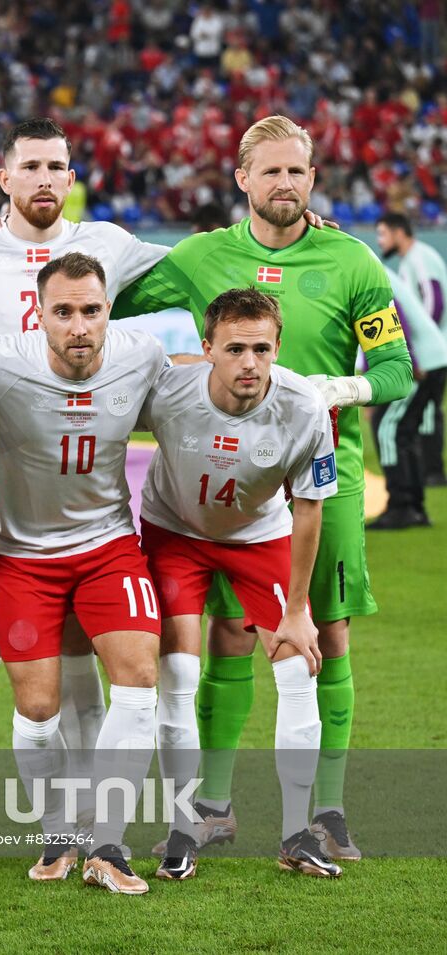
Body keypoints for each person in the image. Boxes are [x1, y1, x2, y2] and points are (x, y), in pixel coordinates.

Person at [113, 115, 414, 860]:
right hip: (223, 482)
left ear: (314, 179)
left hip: (324, 475)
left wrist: (327, 388)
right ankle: (211, 804)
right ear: (242, 178)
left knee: (323, 634)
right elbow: (105, 302)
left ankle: (329, 810)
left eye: (298, 172)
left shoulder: (353, 261)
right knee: (223, 636)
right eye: (271, 171)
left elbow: (397, 370)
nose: (286, 184)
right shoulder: (200, 256)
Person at [0, 117, 168, 862]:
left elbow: (193, 269)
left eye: (58, 165)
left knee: (91, 647)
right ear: (5, 178)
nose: (47, 179)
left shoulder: (108, 245)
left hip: (82, 481)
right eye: (32, 166)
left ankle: (85, 815)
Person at [0, 252, 167, 895]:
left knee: (139, 678)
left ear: (108, 311)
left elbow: (195, 383)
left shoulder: (142, 354)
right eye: (64, 312)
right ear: (40, 314)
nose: (80, 326)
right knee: (39, 707)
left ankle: (108, 844)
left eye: (92, 311)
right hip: (22, 557)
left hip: (109, 547)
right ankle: (59, 828)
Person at [141, 287, 342, 881]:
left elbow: (309, 509)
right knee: (176, 672)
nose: (249, 362)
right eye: (234, 348)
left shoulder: (305, 407)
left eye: (261, 348)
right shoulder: (170, 391)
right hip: (174, 532)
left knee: (297, 665)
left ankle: (296, 833)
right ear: (207, 350)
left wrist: (298, 608)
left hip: (260, 536)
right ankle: (182, 829)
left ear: (278, 348)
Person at [366, 270, 447, 528]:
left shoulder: (363, 269)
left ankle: (401, 507)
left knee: (387, 430)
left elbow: (394, 314)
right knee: (404, 433)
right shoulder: (374, 267)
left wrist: (409, 359)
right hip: (432, 360)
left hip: (417, 365)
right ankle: (414, 507)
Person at [376, 212, 447, 490]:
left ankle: (432, 474)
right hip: (429, 348)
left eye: (382, 233)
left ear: (398, 232)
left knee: (420, 417)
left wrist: (422, 341)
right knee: (421, 417)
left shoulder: (418, 256)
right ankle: (427, 475)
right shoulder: (411, 259)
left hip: (427, 352)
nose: (380, 241)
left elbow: (434, 299)